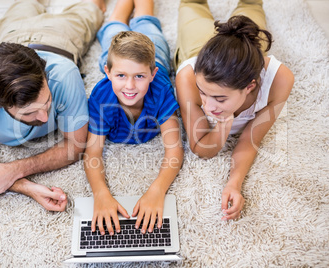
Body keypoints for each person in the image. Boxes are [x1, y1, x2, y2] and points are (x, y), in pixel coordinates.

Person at [0, 0, 105, 212]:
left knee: (92, 9)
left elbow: (74, 146)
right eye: (30, 113)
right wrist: (28, 187)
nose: (45, 118)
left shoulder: (64, 75)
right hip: (12, 34)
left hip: (59, 38)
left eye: (47, 102)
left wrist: (14, 168)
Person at [174, 0, 294, 220]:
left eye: (219, 98)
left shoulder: (280, 79)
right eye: (203, 93)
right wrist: (224, 122)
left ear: (249, 87)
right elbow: (200, 148)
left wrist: (234, 183)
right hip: (199, 51)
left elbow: (250, 140)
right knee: (192, 6)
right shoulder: (188, 77)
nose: (208, 107)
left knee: (251, 11)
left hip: (240, 55)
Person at [83, 0, 183, 236]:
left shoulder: (160, 90)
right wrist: (100, 193)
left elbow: (175, 150)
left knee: (146, 21)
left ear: (152, 75)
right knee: (112, 29)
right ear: (107, 73)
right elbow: (92, 152)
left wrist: (157, 191)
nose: (130, 86)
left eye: (139, 76)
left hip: (153, 50)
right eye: (120, 76)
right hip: (118, 55)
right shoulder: (102, 96)